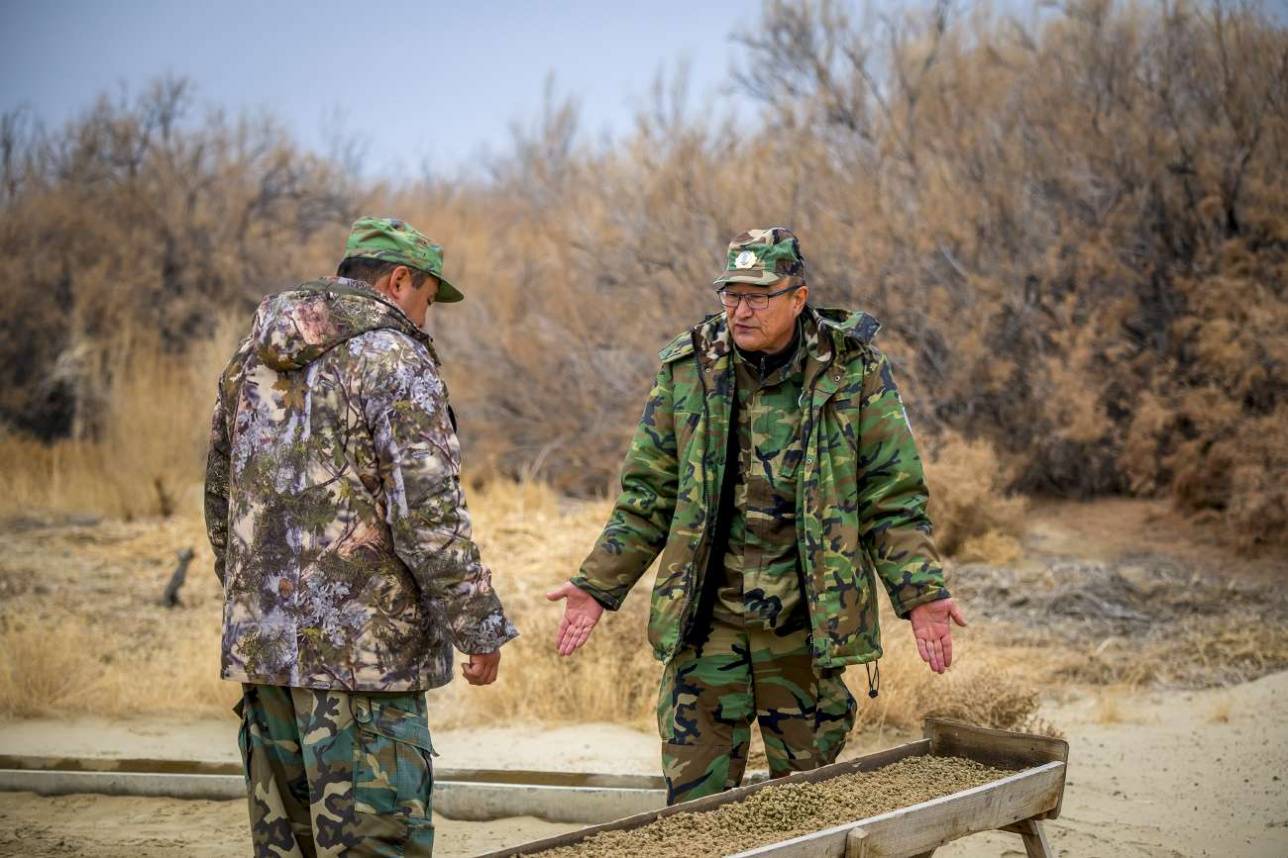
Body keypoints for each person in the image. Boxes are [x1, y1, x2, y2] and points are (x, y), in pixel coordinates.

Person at [547, 227, 965, 804]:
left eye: (758, 296)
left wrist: (920, 593)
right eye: (731, 294)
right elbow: (649, 493)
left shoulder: (853, 370)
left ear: (798, 297)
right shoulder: (689, 368)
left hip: (806, 624)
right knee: (693, 805)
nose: (741, 310)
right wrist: (597, 584)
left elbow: (890, 494)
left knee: (807, 802)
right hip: (708, 623)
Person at [204, 216, 517, 856]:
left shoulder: (249, 354)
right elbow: (428, 513)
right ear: (399, 281)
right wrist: (479, 625)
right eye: (428, 300)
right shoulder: (395, 359)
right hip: (364, 670)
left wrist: (256, 604)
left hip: (266, 659)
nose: (426, 318)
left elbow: (220, 497)